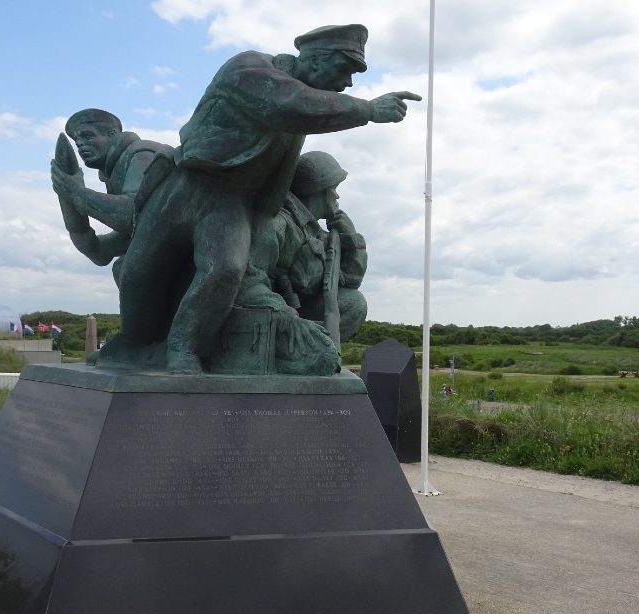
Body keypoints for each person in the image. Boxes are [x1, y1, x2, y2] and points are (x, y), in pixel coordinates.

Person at [103, 24, 421, 374]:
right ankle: (132, 346)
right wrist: (367, 110)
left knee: (225, 270)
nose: (347, 84)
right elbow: (291, 104)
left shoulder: (299, 110)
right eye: (344, 71)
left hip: (229, 202)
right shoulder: (249, 69)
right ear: (315, 60)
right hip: (185, 186)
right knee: (138, 274)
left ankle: (183, 350)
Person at [231, 151, 367, 375]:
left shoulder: (318, 234)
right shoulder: (277, 223)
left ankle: (296, 355)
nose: (337, 197)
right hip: (268, 317)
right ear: (319, 190)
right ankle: (280, 359)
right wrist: (286, 316)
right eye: (334, 188)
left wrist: (352, 240)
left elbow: (350, 281)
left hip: (296, 315)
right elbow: (248, 280)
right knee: (323, 359)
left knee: (354, 303)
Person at [50, 109, 173, 283]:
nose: (80, 145)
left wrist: (75, 192)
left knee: (130, 269)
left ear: (112, 134)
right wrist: (69, 200)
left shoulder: (142, 153)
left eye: (88, 136)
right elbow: (100, 253)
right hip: (165, 243)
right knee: (127, 269)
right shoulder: (114, 172)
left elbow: (131, 213)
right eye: (77, 142)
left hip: (189, 247)